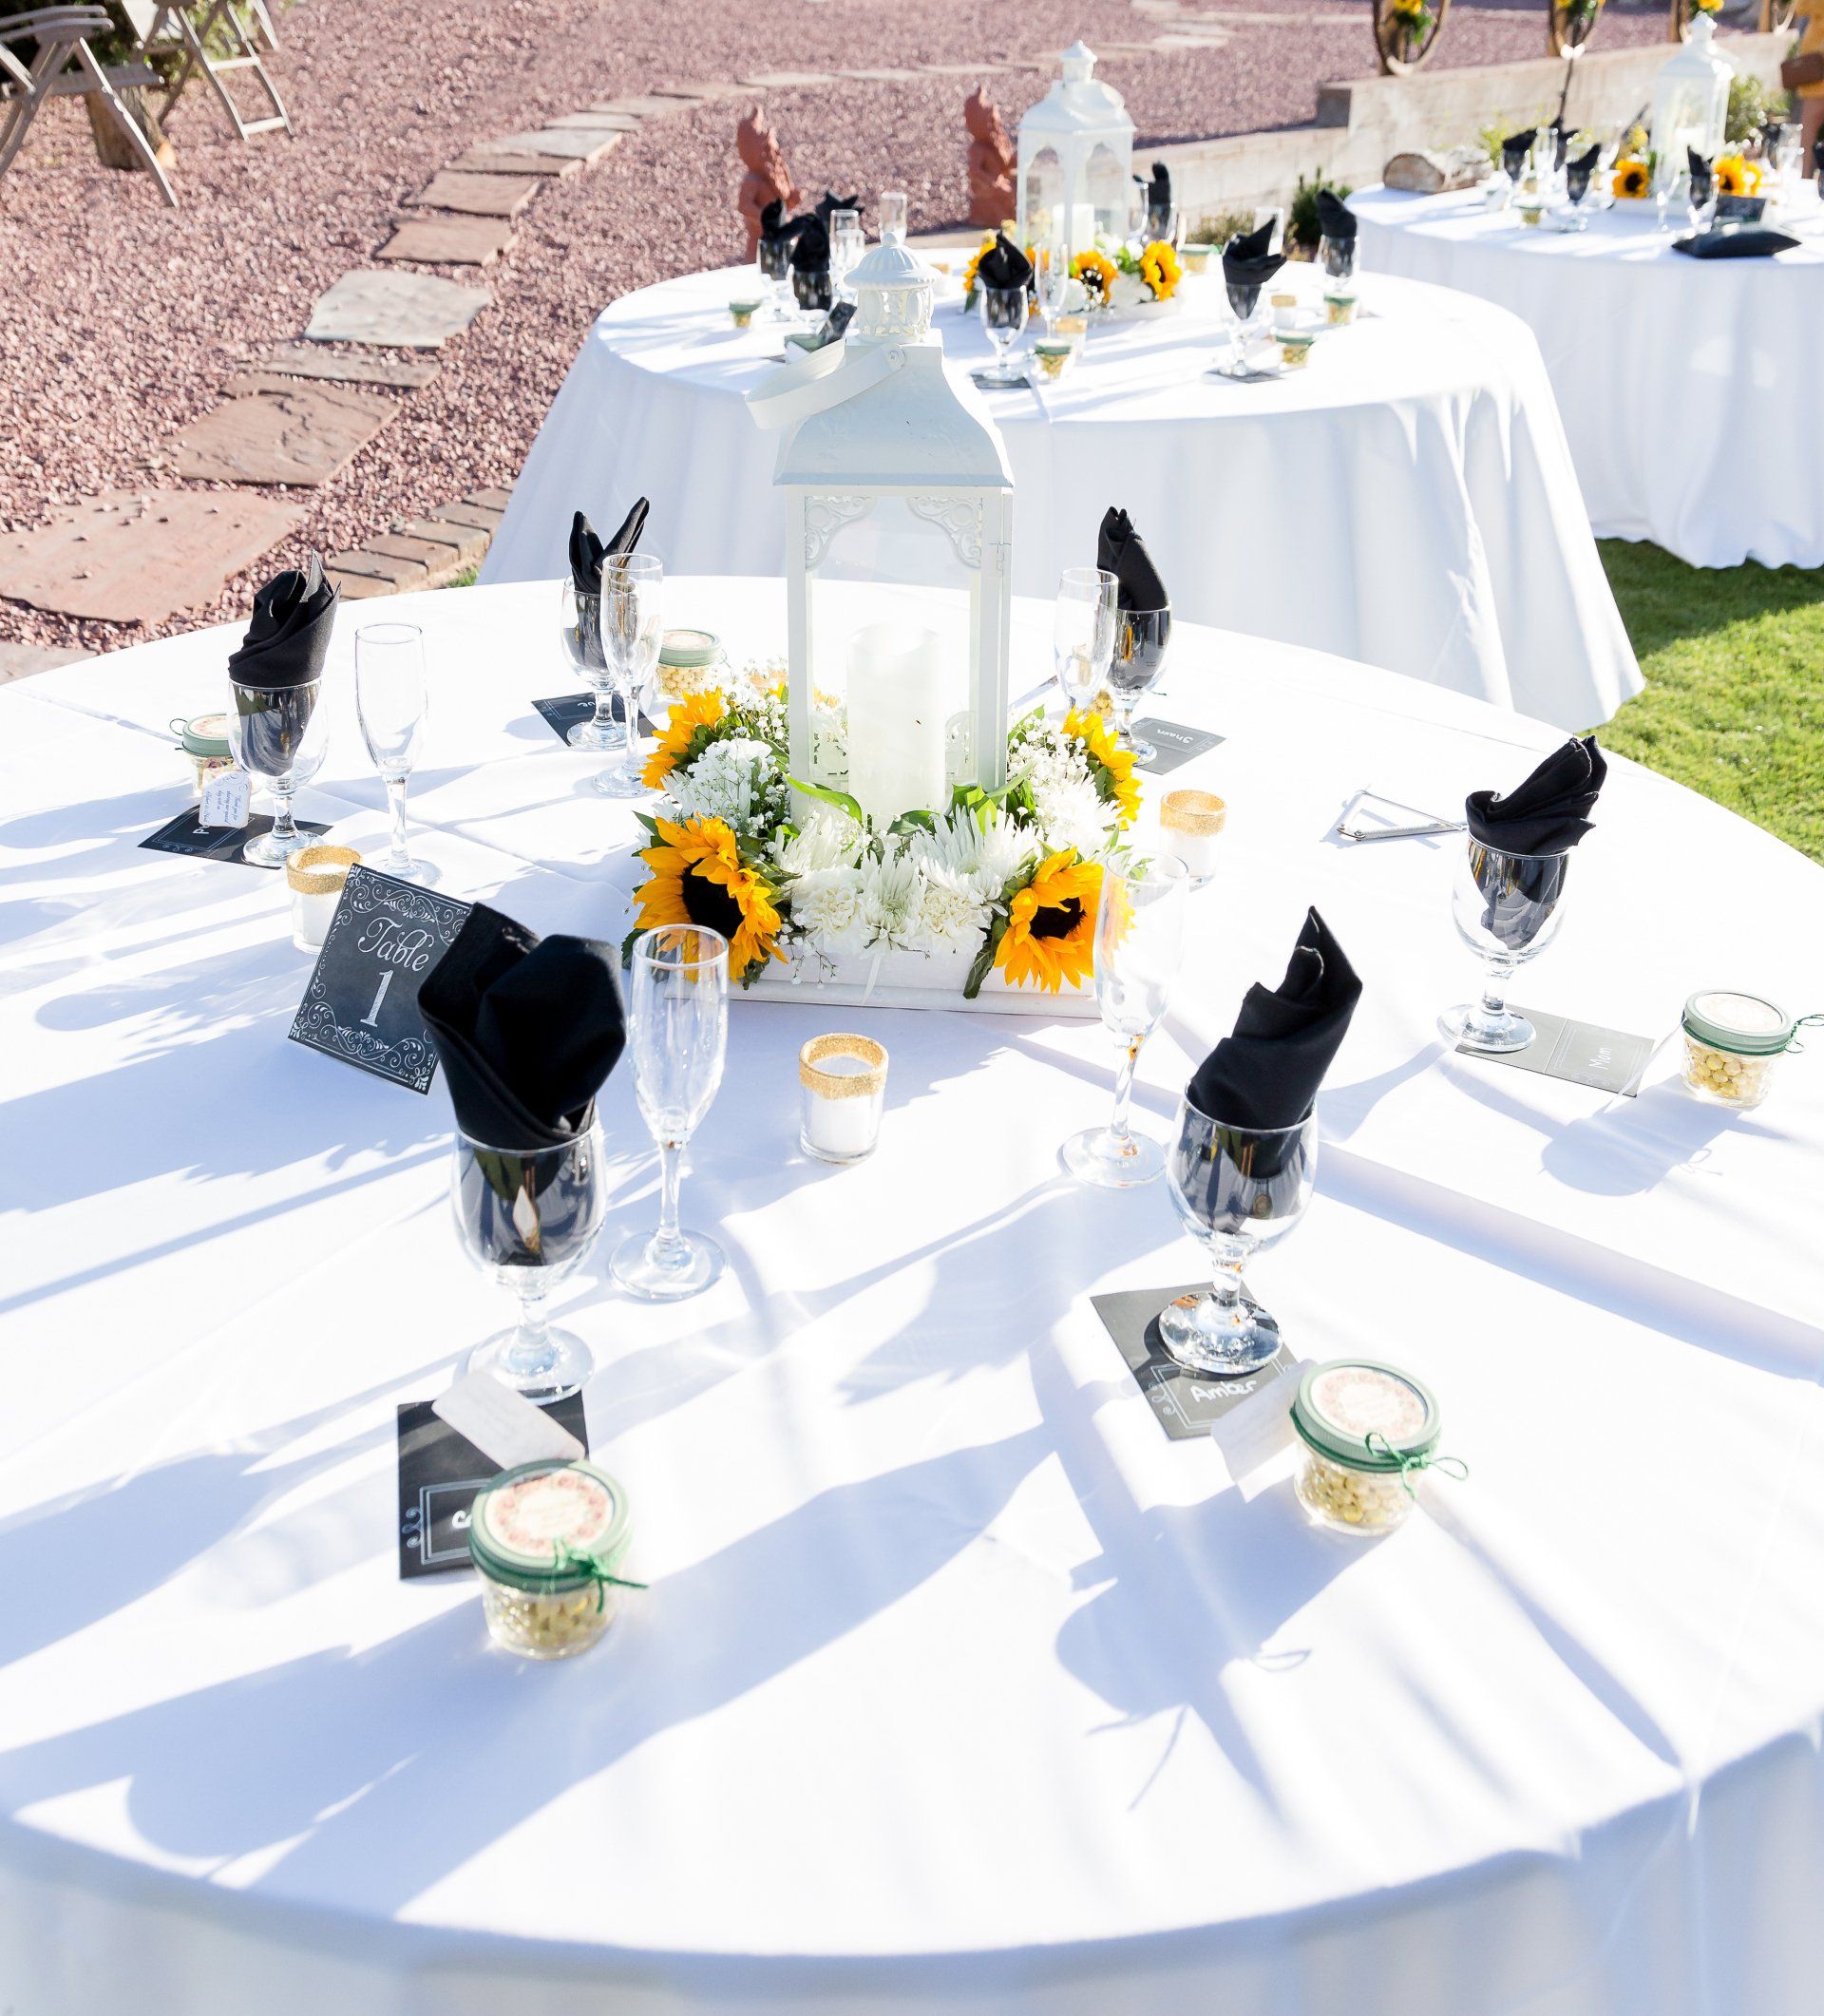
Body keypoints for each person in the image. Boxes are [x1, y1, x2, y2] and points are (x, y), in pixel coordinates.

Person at [1796, 0, 1824, 163]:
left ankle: (1805, 174)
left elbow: (1803, 7)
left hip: (1818, 64)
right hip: (1816, 65)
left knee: (1810, 128)